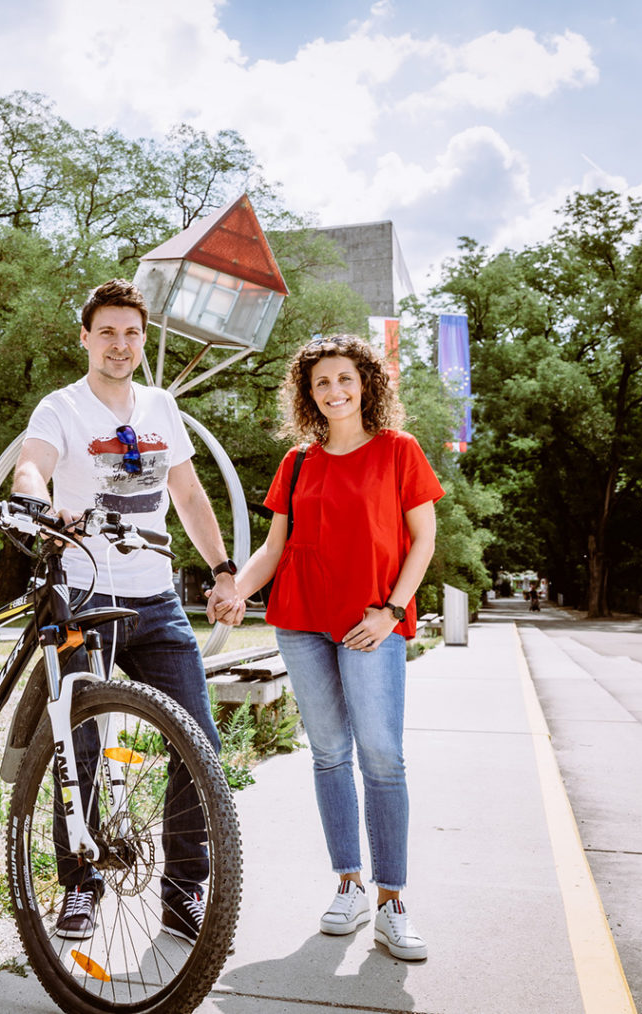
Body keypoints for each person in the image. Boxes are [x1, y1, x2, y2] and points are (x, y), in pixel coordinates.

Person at [12, 278, 246, 944]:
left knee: (196, 740)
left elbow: (192, 497)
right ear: (85, 338)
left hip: (157, 597)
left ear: (144, 342)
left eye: (132, 333)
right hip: (83, 593)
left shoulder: (161, 405)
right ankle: (81, 886)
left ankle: (181, 893)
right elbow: (31, 468)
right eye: (107, 332)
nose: (120, 344)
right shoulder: (61, 407)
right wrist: (40, 504)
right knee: (76, 743)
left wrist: (223, 568)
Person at [224, 334, 443, 961]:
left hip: (372, 623)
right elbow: (274, 549)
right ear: (308, 393)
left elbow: (422, 541)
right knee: (327, 754)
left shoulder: (400, 452)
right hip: (301, 622)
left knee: (382, 756)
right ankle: (348, 884)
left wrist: (392, 610)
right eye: (321, 383)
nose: (334, 391)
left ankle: (392, 900)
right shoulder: (297, 462)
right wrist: (236, 592)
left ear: (367, 383)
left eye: (345, 379)